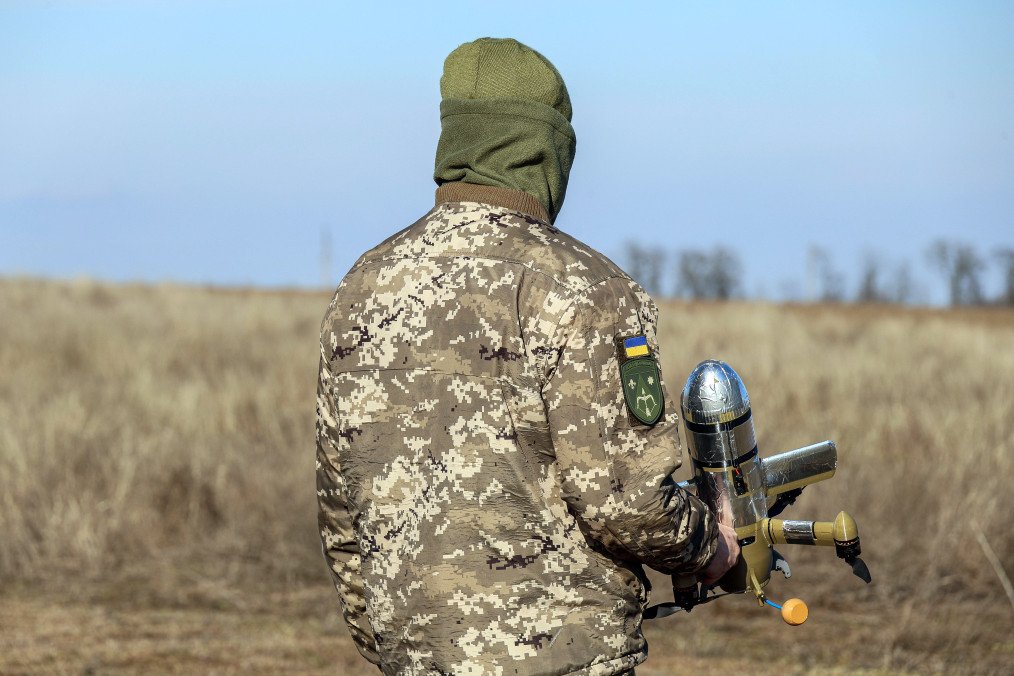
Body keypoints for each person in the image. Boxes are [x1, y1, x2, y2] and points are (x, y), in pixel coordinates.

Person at [316, 37, 740, 675]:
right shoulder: (586, 290)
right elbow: (626, 503)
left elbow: (342, 515)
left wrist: (392, 645)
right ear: (547, 148)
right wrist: (711, 546)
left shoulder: (361, 287)